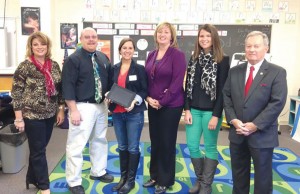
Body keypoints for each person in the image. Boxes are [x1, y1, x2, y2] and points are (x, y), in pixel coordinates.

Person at [223, 31, 287, 194]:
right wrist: (233, 120)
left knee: (263, 177)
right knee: (239, 175)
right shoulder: (234, 71)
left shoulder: (277, 72)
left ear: (266, 48)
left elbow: (277, 102)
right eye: (248, 46)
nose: (252, 49)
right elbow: (227, 96)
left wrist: (255, 125)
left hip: (262, 135)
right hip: (237, 133)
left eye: (256, 46)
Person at [11, 31, 65, 194]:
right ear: (31, 47)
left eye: (43, 44)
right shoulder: (25, 66)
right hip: (31, 116)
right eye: (36, 44)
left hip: (49, 115)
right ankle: (44, 186)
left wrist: (60, 109)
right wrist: (18, 119)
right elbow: (16, 93)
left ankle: (31, 178)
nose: (40, 47)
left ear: (47, 46)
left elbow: (59, 89)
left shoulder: (53, 65)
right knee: (39, 150)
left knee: (38, 149)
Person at [62, 27, 114, 194]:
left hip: (101, 106)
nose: (91, 39)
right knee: (76, 145)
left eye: (94, 37)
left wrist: (111, 98)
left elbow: (109, 82)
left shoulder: (103, 58)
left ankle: (98, 171)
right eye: (87, 37)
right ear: (81, 39)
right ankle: (73, 181)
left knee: (99, 140)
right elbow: (67, 86)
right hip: (81, 107)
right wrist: (73, 110)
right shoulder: (73, 59)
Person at [184, 24, 229, 194]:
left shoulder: (223, 60)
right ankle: (201, 180)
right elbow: (188, 86)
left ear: (214, 38)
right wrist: (186, 109)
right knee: (192, 146)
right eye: (201, 36)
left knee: (210, 147)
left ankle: (206, 185)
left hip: (211, 112)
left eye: (208, 36)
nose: (204, 39)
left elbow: (223, 90)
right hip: (193, 110)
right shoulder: (193, 58)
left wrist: (216, 115)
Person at [143, 22, 187, 194]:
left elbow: (177, 83)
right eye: (160, 32)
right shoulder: (151, 54)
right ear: (156, 35)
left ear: (171, 36)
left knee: (167, 142)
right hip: (153, 104)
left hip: (171, 106)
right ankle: (154, 175)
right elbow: (147, 79)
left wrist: (161, 101)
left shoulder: (177, 55)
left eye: (166, 32)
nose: (162, 34)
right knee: (155, 140)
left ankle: (165, 179)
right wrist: (148, 98)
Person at [108, 38, 147, 194]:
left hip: (133, 114)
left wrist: (135, 102)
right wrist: (108, 95)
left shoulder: (139, 69)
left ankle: (130, 181)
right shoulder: (114, 68)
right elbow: (109, 87)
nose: (127, 50)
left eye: (130, 48)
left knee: (132, 147)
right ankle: (122, 178)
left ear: (133, 50)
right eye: (124, 48)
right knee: (122, 146)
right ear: (120, 50)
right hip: (117, 113)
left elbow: (144, 90)